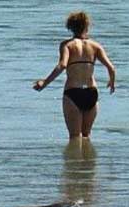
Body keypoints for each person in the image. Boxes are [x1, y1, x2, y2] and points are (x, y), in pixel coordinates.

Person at [32, 11, 116, 139]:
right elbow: (111, 67)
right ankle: (88, 159)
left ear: (70, 27)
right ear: (87, 26)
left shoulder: (67, 45)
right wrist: (112, 82)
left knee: (75, 137)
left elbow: (62, 65)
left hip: (73, 92)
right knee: (86, 136)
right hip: (91, 92)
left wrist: (45, 82)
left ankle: (74, 160)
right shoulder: (95, 45)